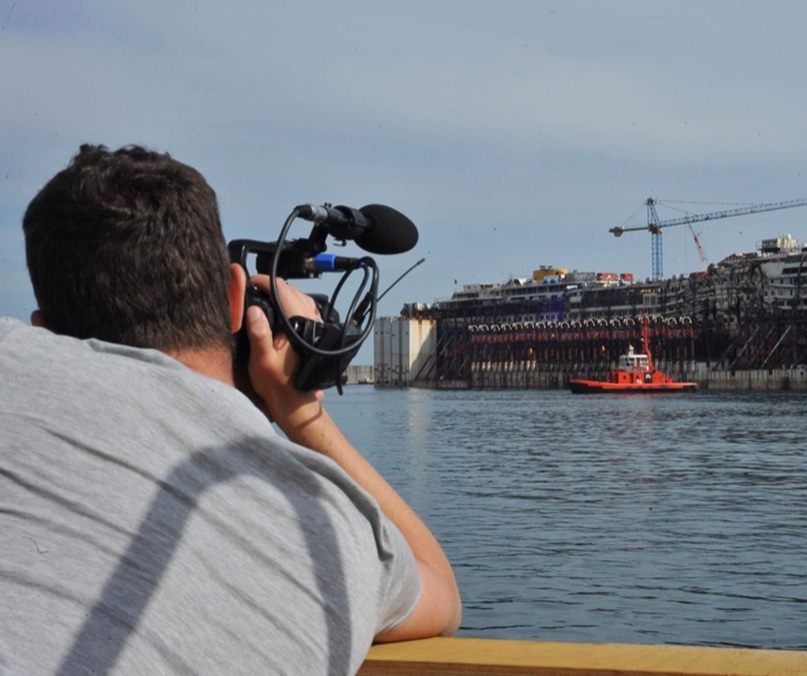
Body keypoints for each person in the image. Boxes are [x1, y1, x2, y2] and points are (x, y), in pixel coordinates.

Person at [0, 144, 461, 674]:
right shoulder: (330, 535)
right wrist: (301, 409)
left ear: (44, 329)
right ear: (234, 297)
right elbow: (441, 590)